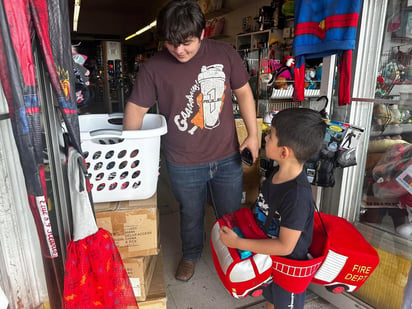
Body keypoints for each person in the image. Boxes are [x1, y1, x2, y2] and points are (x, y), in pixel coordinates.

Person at [123, 0, 259, 282]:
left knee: (231, 213)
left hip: (226, 156)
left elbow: (244, 93)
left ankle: (235, 258)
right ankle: (191, 255)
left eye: (186, 43)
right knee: (191, 214)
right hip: (182, 161)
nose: (179, 50)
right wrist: (130, 158)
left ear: (202, 34)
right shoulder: (154, 67)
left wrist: (253, 135)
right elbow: (136, 110)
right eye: (172, 43)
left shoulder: (225, 54)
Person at [219, 108, 326, 309]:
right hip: (270, 262)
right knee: (271, 298)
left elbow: (286, 246)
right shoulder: (275, 173)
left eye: (271, 135)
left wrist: (240, 243)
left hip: (289, 271)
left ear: (284, 151)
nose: (266, 138)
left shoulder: (296, 196)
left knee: (284, 303)